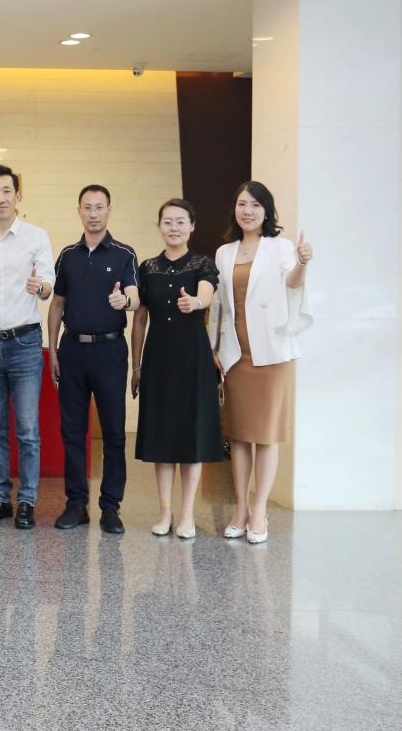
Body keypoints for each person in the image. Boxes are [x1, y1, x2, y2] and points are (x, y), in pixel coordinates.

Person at [211, 181, 313, 544]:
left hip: (270, 353)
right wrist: (213, 348)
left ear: (266, 210)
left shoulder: (280, 247)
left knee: (266, 436)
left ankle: (259, 512)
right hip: (235, 355)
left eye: (255, 204)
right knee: (239, 435)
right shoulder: (224, 252)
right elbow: (218, 306)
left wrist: (302, 262)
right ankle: (240, 510)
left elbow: (292, 283)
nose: (248, 211)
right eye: (242, 204)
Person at [47, 185, 140, 534]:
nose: (93, 213)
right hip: (72, 349)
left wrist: (124, 303)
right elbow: (57, 304)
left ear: (109, 210)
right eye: (87, 207)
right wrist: (53, 350)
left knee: (114, 431)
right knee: (72, 431)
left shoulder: (124, 253)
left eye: (99, 207)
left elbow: (135, 297)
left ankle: (111, 507)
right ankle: (76, 504)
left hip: (110, 351)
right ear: (79, 211)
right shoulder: (68, 255)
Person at [131, 199, 224, 539]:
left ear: (192, 226)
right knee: (162, 435)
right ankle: (165, 511)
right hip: (158, 359)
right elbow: (139, 318)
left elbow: (206, 295)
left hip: (193, 360)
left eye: (180, 221)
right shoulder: (147, 267)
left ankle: (187, 514)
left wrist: (195, 302)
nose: (174, 227)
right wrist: (136, 365)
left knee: (190, 434)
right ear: (159, 226)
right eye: (168, 222)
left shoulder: (203, 263)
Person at [0, 164, 55, 530]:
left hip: (24, 343)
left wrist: (41, 288)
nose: (1, 198)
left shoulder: (35, 236)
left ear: (18, 195)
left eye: (7, 191)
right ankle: (1, 498)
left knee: (27, 429)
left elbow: (48, 282)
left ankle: (27, 501)